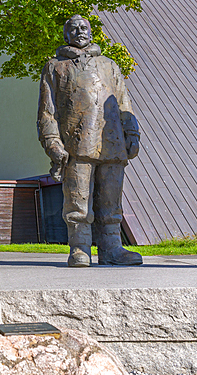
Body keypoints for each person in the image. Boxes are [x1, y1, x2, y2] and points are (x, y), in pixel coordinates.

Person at [38, 15, 142, 267]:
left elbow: (123, 101)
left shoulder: (109, 65)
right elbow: (46, 110)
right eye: (72, 29)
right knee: (77, 200)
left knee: (111, 199)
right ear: (66, 36)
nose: (79, 31)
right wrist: (52, 141)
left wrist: (132, 133)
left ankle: (112, 248)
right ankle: (80, 248)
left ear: (92, 33)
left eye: (84, 27)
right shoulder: (55, 66)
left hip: (112, 142)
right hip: (76, 142)